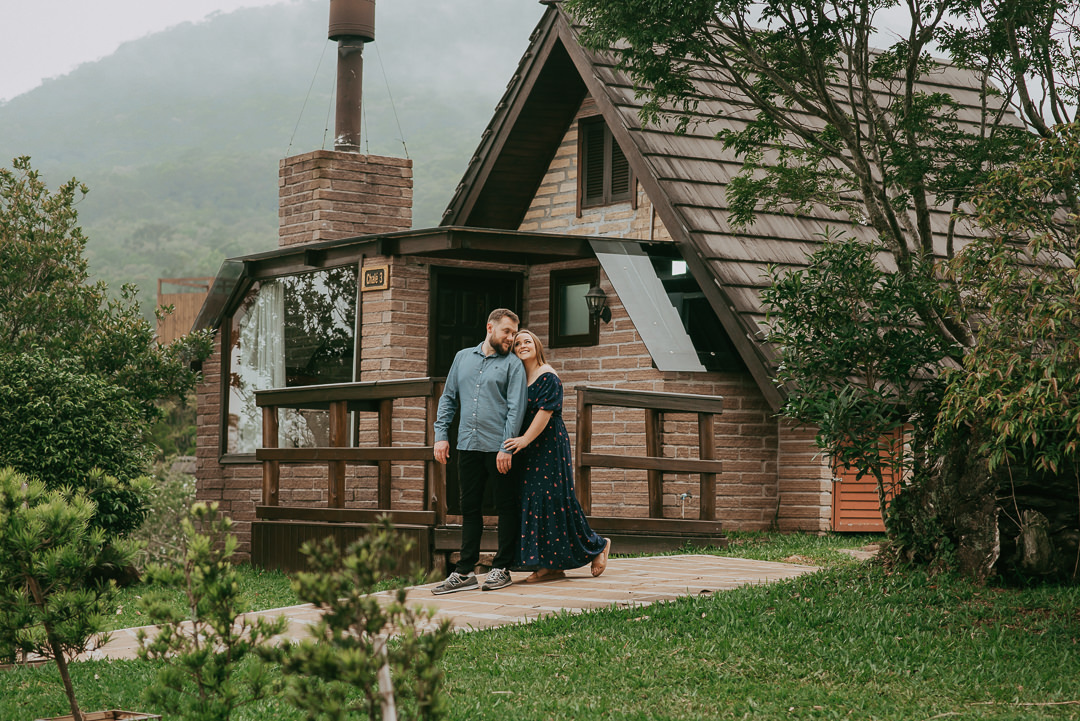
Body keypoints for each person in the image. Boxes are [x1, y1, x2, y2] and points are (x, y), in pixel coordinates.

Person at [432, 308, 528, 594]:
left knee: (505, 507)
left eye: (514, 333)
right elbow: (448, 398)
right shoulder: (462, 358)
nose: (511, 338)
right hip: (467, 445)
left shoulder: (513, 365)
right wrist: (441, 436)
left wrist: (506, 447)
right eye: (507, 332)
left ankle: (502, 568)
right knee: (469, 508)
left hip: (500, 448)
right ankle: (464, 572)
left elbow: (516, 408)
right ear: (490, 328)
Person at [503, 329, 611, 582]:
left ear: (537, 346)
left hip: (548, 445)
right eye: (517, 343)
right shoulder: (520, 377)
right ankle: (550, 565)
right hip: (527, 448)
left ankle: (599, 544)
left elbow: (545, 413)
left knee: (552, 499)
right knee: (536, 500)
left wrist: (523, 440)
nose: (522, 346)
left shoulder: (548, 376)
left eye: (527, 341)